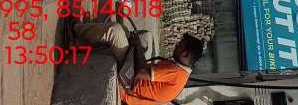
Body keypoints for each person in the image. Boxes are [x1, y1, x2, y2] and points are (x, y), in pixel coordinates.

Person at [71, 22, 203, 105]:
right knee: (125, 32)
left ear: (185, 54)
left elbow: (140, 72)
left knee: (116, 32)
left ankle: (75, 31)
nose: (176, 45)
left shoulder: (176, 72)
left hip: (128, 84)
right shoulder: (181, 74)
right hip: (132, 77)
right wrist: (135, 46)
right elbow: (145, 70)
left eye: (180, 45)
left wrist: (137, 47)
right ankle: (81, 43)